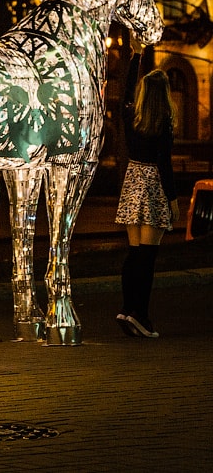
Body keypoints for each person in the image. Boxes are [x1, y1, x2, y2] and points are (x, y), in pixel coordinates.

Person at [114, 47, 178, 339]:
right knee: (147, 258)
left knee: (134, 254)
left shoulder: (132, 117)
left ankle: (127, 309)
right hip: (151, 186)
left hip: (132, 183)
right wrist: (173, 200)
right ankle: (141, 314)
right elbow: (164, 165)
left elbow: (125, 95)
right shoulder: (162, 123)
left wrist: (135, 58)